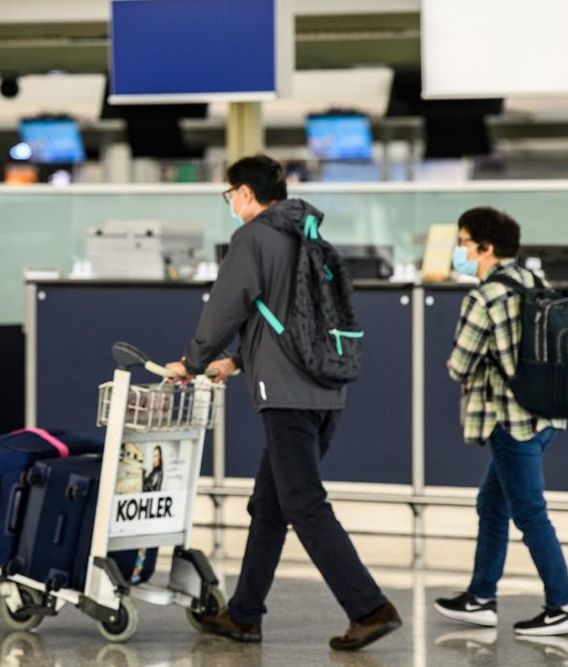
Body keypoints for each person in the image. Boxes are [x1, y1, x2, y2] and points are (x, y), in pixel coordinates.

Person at [165, 155, 401, 651]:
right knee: (270, 506)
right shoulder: (308, 236)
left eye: (230, 193)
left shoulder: (253, 238)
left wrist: (192, 361)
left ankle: (370, 608)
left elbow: (225, 307)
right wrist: (236, 362)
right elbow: (292, 319)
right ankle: (244, 615)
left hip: (287, 395)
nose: (230, 202)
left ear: (245, 193)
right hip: (325, 389)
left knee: (303, 504)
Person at [434, 207, 568, 636]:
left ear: (485, 248)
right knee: (492, 503)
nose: (459, 251)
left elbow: (459, 365)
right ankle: (480, 597)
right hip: (546, 416)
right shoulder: (536, 283)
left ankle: (564, 605)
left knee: (529, 511)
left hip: (510, 421)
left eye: (464, 243)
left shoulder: (485, 297)